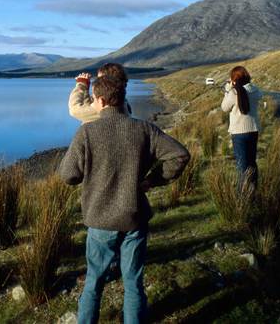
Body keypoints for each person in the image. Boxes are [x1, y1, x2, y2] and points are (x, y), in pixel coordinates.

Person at [59, 76, 190, 324]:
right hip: (134, 217)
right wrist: (152, 180)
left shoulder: (87, 131)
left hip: (100, 218)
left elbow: (68, 175)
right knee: (133, 283)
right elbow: (180, 155)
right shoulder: (144, 129)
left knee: (94, 281)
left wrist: (90, 174)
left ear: (100, 100)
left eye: (94, 101)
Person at [221, 65, 262, 188]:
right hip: (253, 130)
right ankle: (253, 191)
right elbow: (259, 94)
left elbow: (224, 108)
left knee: (242, 167)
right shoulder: (254, 90)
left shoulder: (233, 93)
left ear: (234, 79)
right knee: (251, 163)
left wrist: (228, 90)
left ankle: (242, 198)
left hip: (239, 133)